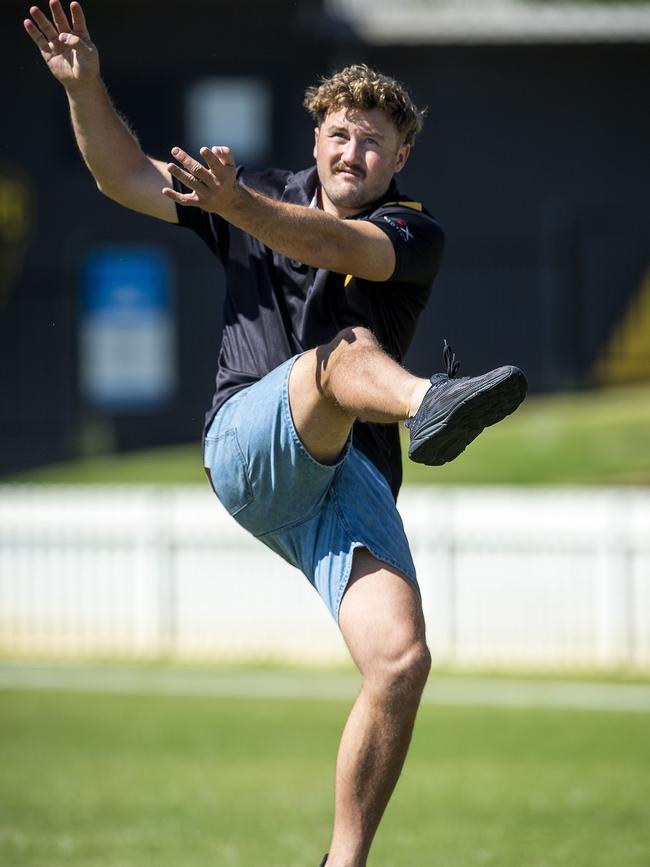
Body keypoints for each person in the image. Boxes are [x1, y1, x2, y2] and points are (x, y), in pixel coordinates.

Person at [25, 3, 527, 865]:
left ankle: (342, 861)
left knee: (401, 662)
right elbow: (125, 178)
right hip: (248, 446)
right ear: (316, 136)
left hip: (346, 479)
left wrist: (238, 206)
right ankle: (430, 402)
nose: (351, 152)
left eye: (373, 141)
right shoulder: (248, 191)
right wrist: (86, 88)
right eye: (339, 133)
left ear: (400, 157)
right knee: (340, 357)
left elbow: (339, 245)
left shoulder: (414, 229)